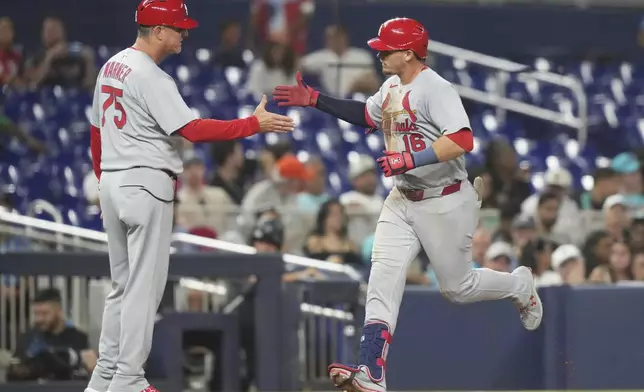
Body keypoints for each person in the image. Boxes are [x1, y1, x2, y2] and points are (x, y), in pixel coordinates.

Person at [273, 17, 542, 392]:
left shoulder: (436, 88)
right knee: (382, 278)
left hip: (445, 199)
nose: (379, 53)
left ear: (410, 53)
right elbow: (367, 115)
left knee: (457, 288)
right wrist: (316, 100)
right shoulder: (391, 85)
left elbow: (463, 139)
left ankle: (518, 285)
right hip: (402, 199)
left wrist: (410, 160)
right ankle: (371, 370)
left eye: (386, 49)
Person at [85, 1, 294, 392]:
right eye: (179, 28)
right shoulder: (151, 76)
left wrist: (103, 182)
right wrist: (254, 123)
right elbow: (193, 130)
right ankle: (128, 378)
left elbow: (97, 131)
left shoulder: (110, 66)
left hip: (114, 183)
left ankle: (105, 376)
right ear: (158, 30)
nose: (185, 34)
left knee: (121, 285)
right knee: (144, 289)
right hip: (145, 183)